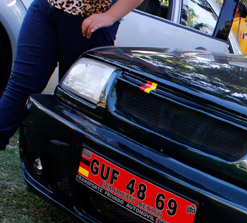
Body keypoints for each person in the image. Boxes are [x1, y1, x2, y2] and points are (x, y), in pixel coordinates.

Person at [0, 0, 143, 151]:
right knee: (19, 88)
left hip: (88, 23)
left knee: (74, 106)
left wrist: (111, 16)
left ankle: (59, 164)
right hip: (46, 7)